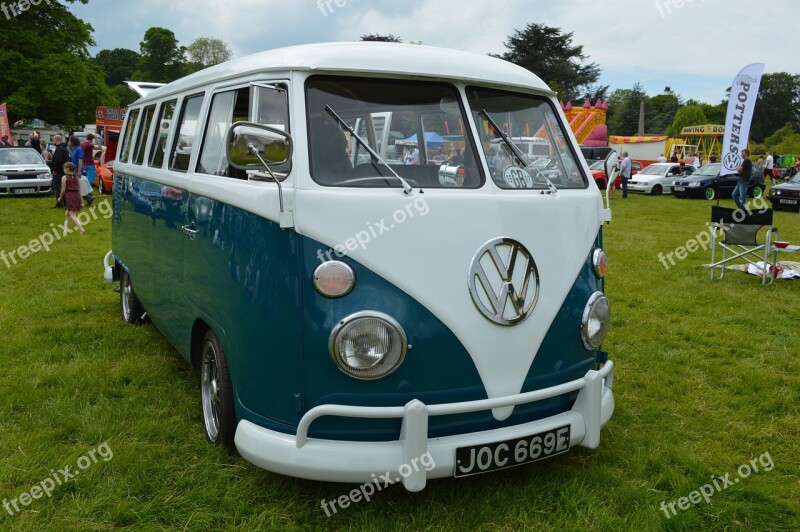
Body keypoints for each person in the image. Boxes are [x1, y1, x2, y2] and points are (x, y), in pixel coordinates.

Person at [57, 162, 85, 235]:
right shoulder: (77, 178)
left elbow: (63, 190)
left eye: (64, 169)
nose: (63, 170)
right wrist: (82, 202)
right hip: (76, 196)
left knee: (72, 214)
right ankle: (66, 230)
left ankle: (81, 229)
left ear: (67, 169)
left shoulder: (64, 177)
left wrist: (60, 198)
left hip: (69, 196)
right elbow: (79, 190)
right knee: (67, 214)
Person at [69, 135, 94, 205]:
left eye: (70, 141)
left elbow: (80, 160)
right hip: (74, 170)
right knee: (77, 185)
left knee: (77, 186)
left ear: (73, 142)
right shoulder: (74, 149)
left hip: (77, 171)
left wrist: (79, 171)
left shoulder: (79, 149)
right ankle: (88, 197)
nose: (69, 142)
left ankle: (88, 197)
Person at [50, 134, 70, 203]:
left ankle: (59, 201)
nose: (53, 142)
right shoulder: (64, 148)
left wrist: (54, 170)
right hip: (64, 170)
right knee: (63, 186)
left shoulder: (59, 149)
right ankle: (64, 201)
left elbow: (58, 160)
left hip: (58, 171)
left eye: (53, 140)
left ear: (56, 140)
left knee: (58, 187)